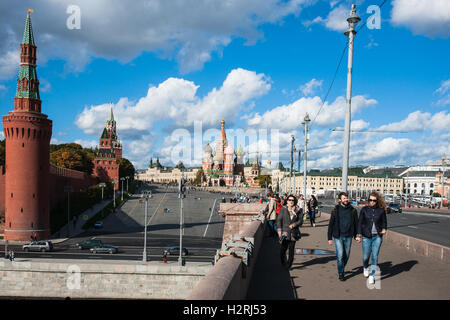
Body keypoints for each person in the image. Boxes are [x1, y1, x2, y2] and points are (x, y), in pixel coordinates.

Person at [356, 192, 387, 285]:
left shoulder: (381, 210)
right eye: (370, 200)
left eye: (374, 200)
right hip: (366, 236)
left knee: (375, 256)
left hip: (377, 236)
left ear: (377, 201)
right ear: (368, 200)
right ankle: (365, 267)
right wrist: (358, 235)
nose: (372, 202)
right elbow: (360, 223)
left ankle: (372, 275)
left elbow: (384, 222)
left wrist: (384, 229)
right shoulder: (364, 210)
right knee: (366, 256)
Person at [327, 192, 359, 281]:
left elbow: (356, 223)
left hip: (349, 236)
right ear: (340, 200)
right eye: (344, 198)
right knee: (340, 255)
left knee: (347, 255)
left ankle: (341, 267)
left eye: (346, 198)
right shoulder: (335, 210)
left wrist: (357, 235)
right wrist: (329, 238)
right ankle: (341, 273)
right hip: (338, 236)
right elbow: (331, 224)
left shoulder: (353, 210)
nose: (346, 200)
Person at [277, 195, 304, 270]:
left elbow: (301, 221)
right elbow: (279, 220)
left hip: (293, 233)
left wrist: (294, 224)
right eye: (289, 200)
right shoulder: (284, 209)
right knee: (283, 249)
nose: (291, 201)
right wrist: (279, 231)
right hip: (285, 233)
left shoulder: (299, 210)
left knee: (291, 250)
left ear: (294, 201)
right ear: (287, 201)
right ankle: (283, 263)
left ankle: (288, 265)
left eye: (292, 200)